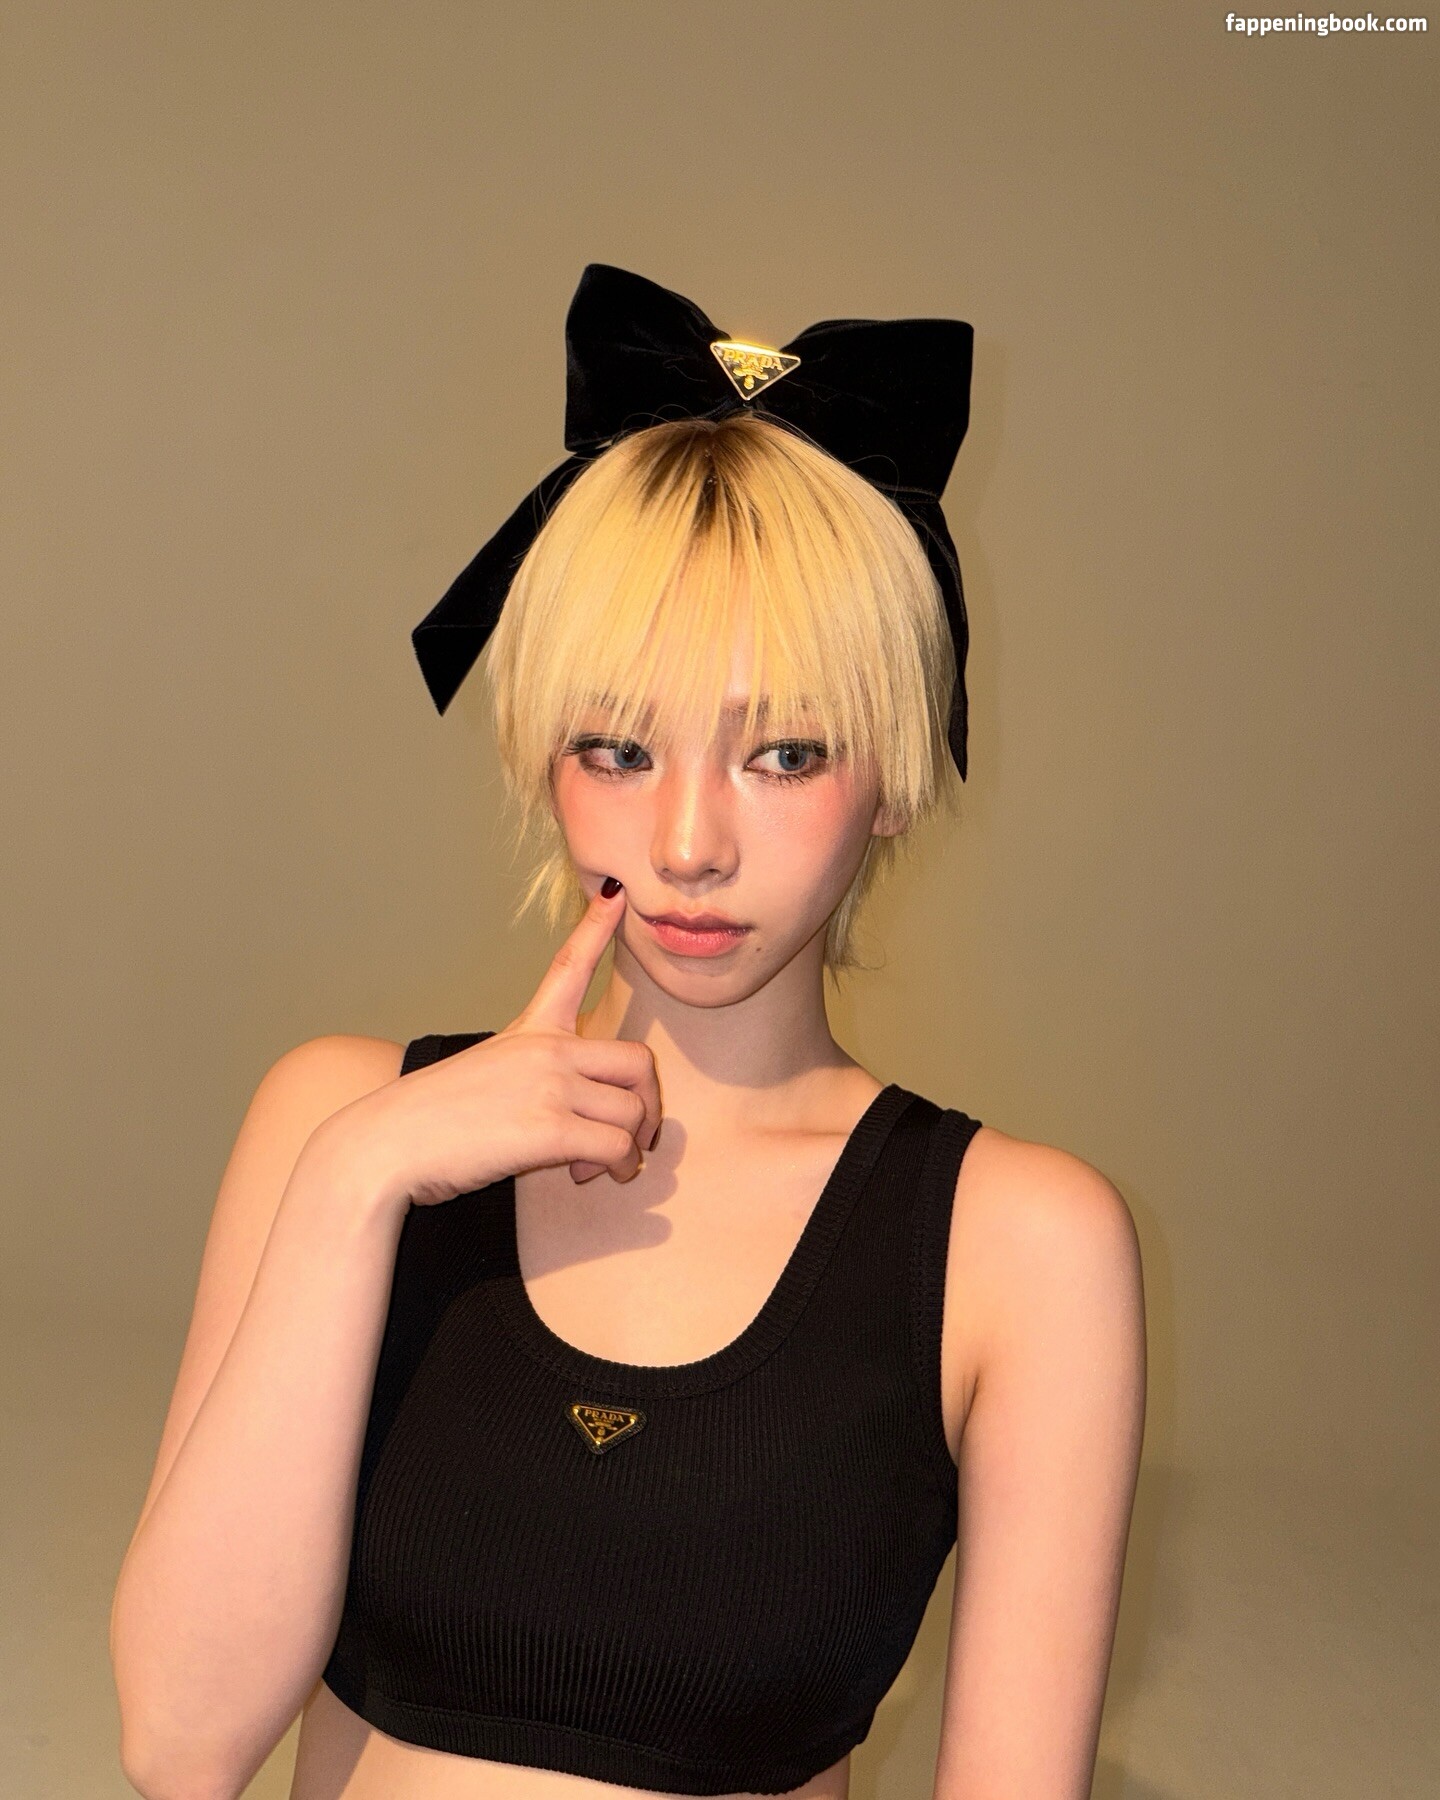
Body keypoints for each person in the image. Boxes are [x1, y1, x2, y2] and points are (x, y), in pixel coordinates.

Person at [110, 266, 1146, 1800]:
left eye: (783, 753)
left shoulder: (1022, 1247)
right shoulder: (336, 1123)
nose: (688, 844)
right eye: (618, 746)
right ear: (542, 755)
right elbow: (179, 1743)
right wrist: (357, 1180)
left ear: (894, 773)